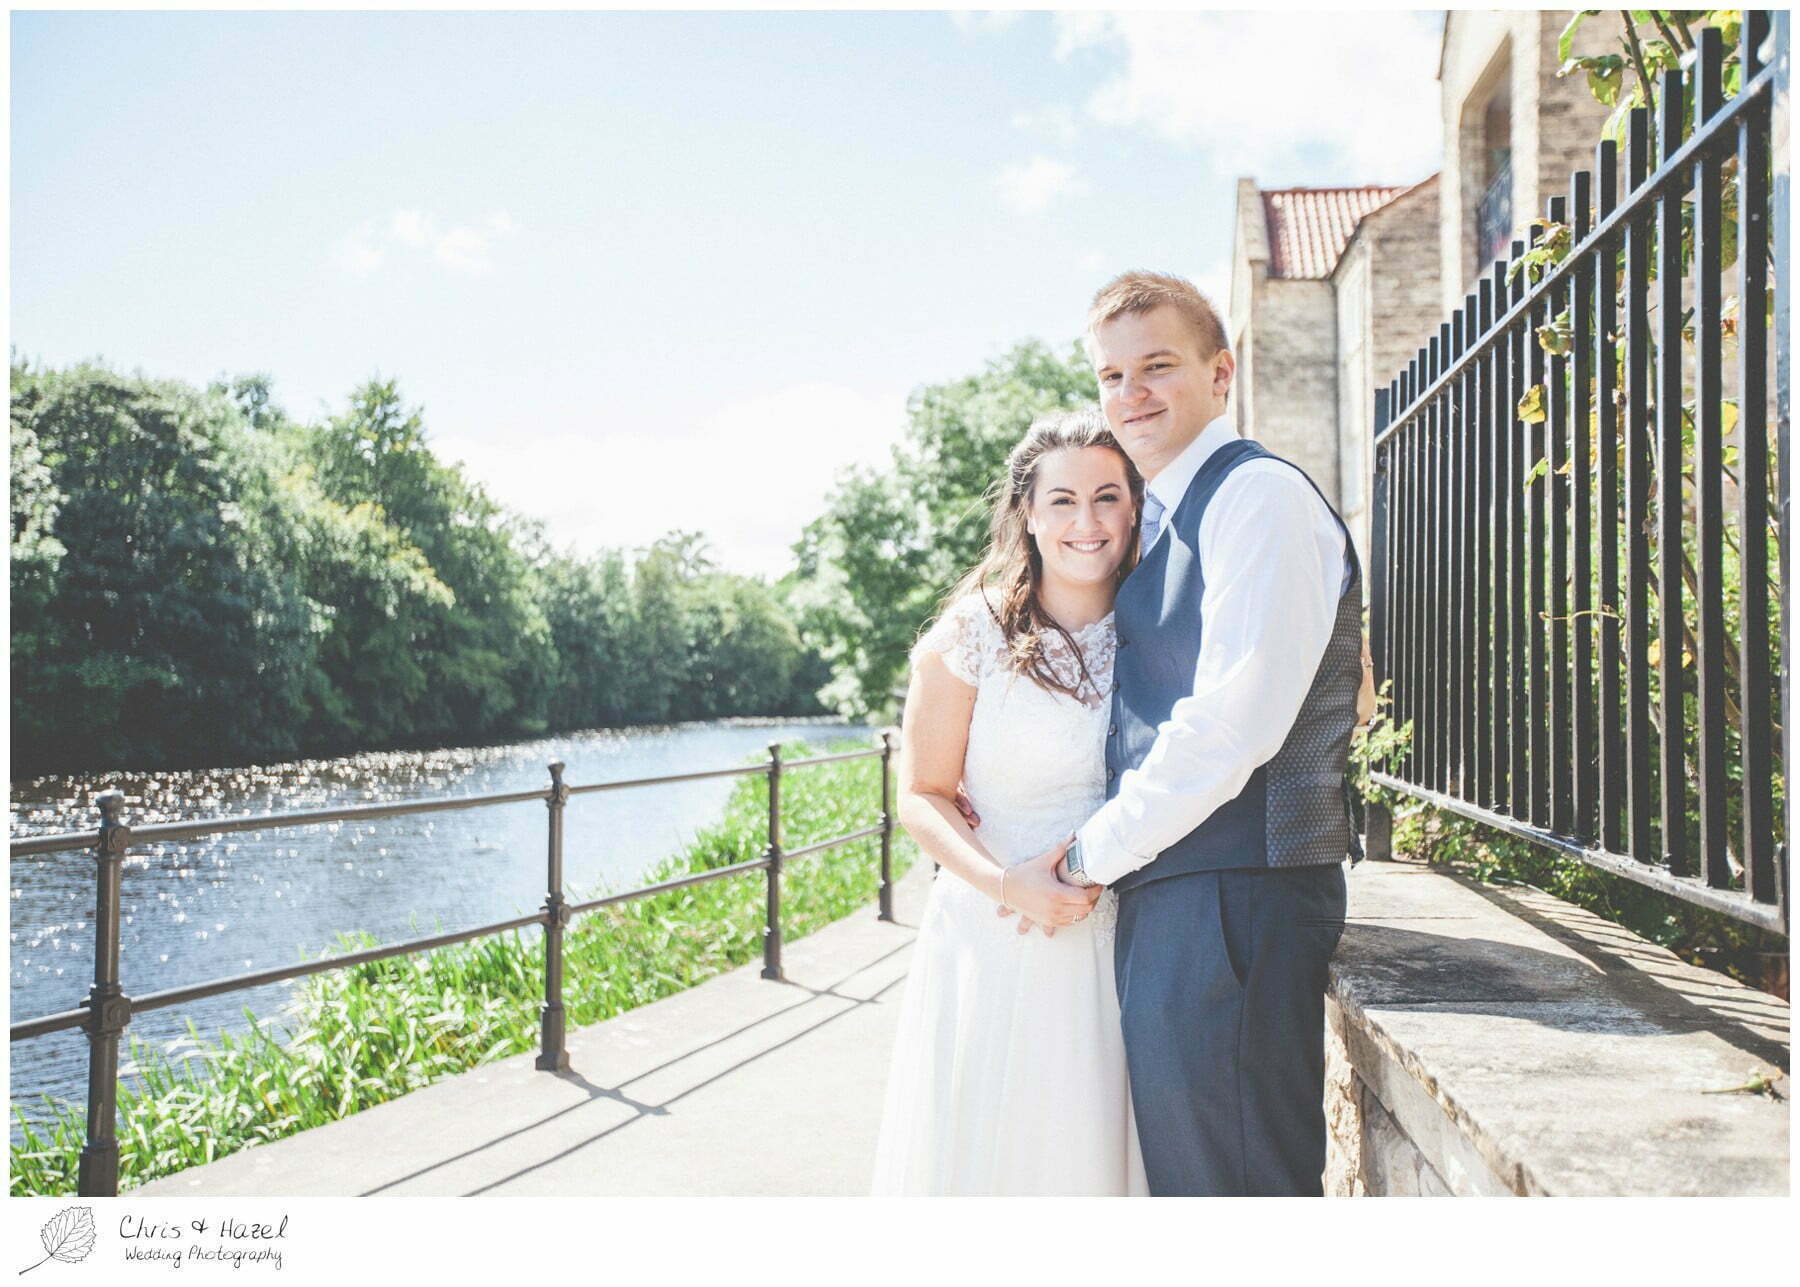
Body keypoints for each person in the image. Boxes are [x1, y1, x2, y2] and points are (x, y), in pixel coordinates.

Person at [1029, 270, 1365, 1196]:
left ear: (1221, 373)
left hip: (1239, 898)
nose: (1130, 394)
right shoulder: (1169, 511)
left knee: (1236, 1191)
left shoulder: (1257, 496)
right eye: (1111, 376)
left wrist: (1087, 856)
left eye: (1157, 366)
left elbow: (1231, 723)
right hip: (1187, 896)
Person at [869, 408, 1149, 1196]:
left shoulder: (1160, 629)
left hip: (1125, 941)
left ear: (1134, 508)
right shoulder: (972, 634)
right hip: (995, 932)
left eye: (1107, 497)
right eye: (1062, 500)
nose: (1086, 522)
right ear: (1028, 512)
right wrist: (1004, 882)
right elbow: (922, 795)